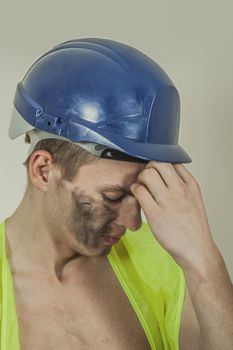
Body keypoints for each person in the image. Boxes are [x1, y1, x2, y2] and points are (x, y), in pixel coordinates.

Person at [1, 38, 232, 350]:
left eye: (141, 194)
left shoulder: (163, 257)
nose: (134, 223)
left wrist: (203, 258)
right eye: (112, 196)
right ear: (44, 170)